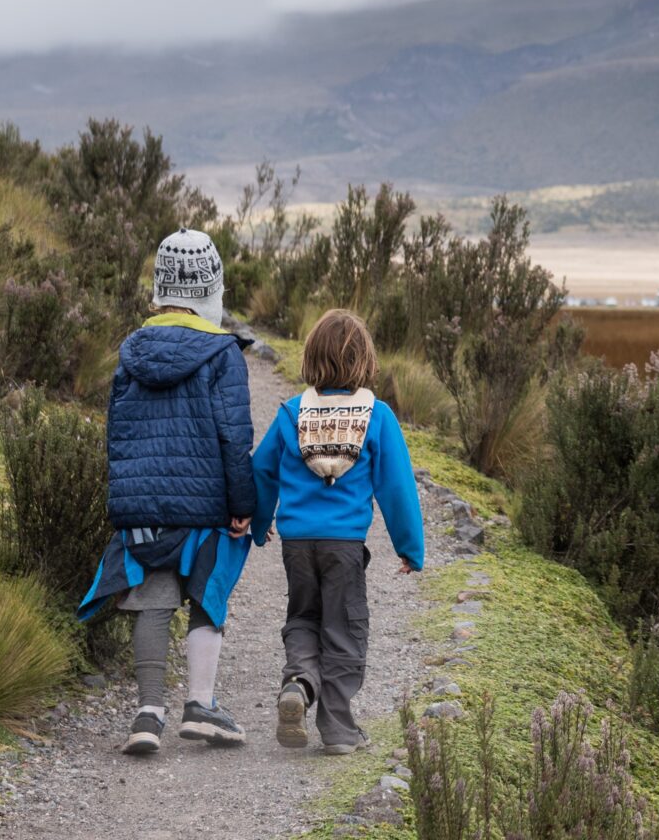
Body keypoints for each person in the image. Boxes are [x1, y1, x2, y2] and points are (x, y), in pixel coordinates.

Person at [78, 228, 257, 755]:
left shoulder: (130, 353)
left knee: (152, 602)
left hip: (144, 510)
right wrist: (242, 505)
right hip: (204, 510)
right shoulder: (223, 355)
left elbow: (117, 433)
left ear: (160, 286)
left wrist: (128, 497)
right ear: (212, 289)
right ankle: (200, 705)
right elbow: (234, 437)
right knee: (206, 597)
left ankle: (147, 714)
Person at [250, 309, 427, 754]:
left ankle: (299, 683)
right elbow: (397, 487)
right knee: (345, 629)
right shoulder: (377, 416)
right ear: (364, 361)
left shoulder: (293, 413)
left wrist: (257, 522)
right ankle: (338, 729)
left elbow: (261, 471)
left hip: (296, 545)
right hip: (345, 548)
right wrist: (410, 547)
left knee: (304, 617)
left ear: (311, 358)